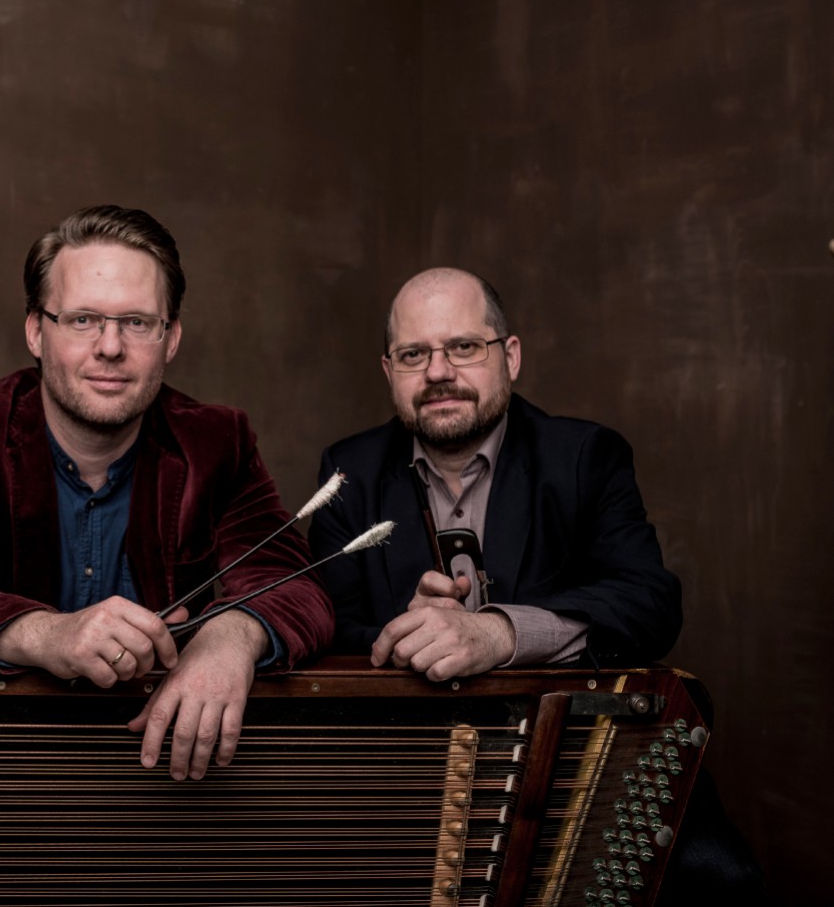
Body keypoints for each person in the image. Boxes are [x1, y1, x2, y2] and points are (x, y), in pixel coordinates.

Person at [311, 267, 769, 905]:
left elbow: (650, 603)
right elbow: (326, 622)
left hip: (577, 766)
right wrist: (406, 636)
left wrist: (502, 633)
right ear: (390, 371)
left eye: (464, 347)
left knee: (717, 883)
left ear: (511, 357)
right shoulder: (347, 471)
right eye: (414, 354)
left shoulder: (585, 455)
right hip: (413, 773)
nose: (438, 371)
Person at [0, 204, 334, 782]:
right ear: (36, 331)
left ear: (170, 338)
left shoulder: (218, 442)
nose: (110, 347)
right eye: (83, 319)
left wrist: (229, 637)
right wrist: (47, 633)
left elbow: (299, 589)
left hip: (164, 780)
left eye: (136, 322)